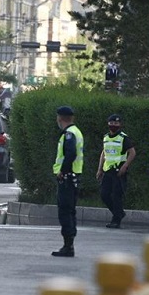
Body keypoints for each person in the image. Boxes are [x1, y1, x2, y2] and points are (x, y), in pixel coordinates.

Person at [52, 106, 84, 257]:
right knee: (70, 210)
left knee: (65, 211)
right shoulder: (76, 131)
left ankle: (68, 246)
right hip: (74, 177)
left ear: (60, 118)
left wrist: (62, 171)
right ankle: (69, 244)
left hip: (67, 178)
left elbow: (70, 154)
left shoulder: (69, 134)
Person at [96, 114, 136, 229]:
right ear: (108, 124)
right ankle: (119, 213)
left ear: (120, 124)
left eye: (116, 123)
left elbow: (132, 152)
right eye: (111, 123)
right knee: (104, 195)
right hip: (108, 170)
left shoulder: (123, 138)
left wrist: (125, 166)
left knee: (116, 196)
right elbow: (104, 153)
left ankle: (116, 220)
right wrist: (99, 169)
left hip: (119, 170)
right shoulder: (106, 137)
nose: (113, 125)